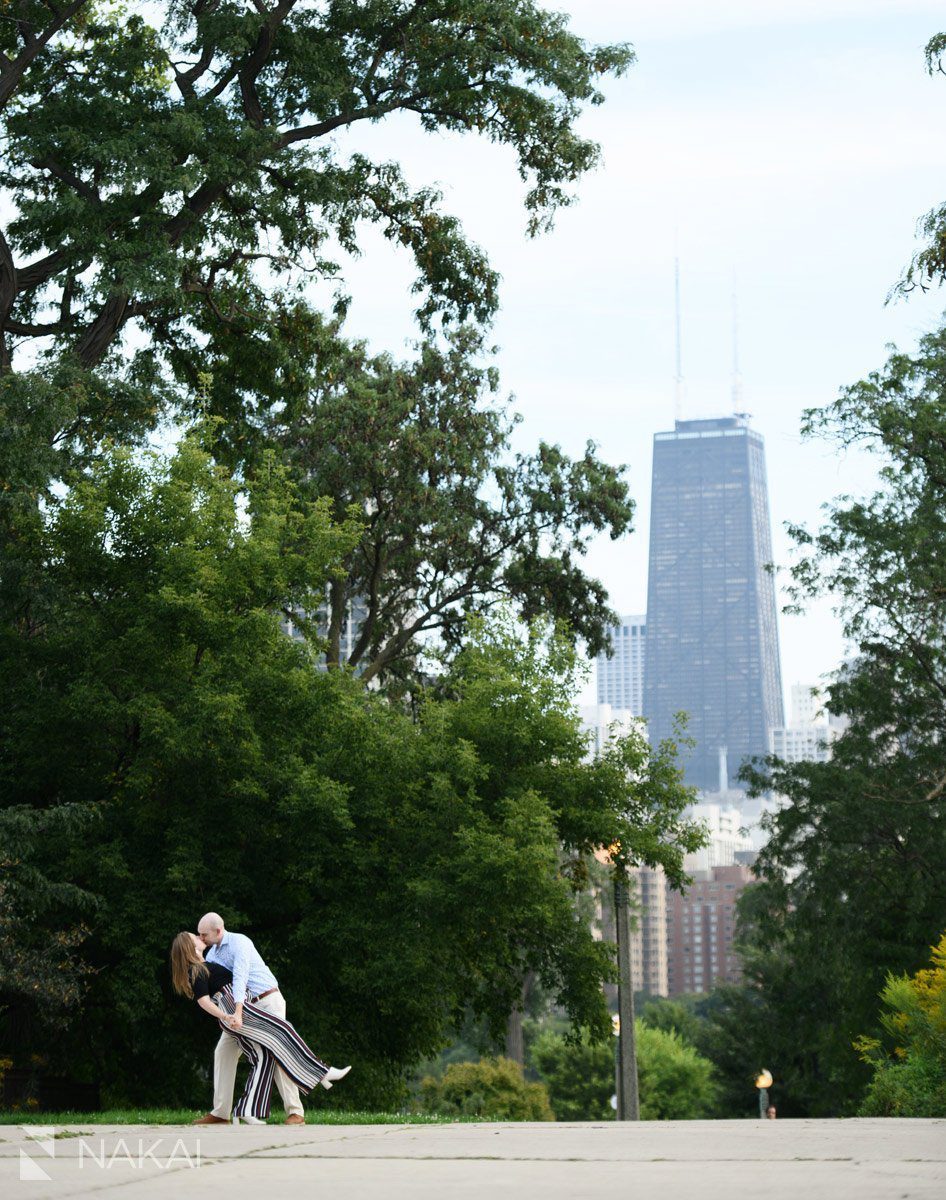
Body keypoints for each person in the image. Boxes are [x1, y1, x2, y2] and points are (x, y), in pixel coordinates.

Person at [169, 918, 350, 1125]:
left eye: (204, 935)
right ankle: (221, 1112)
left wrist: (233, 1012)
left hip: (264, 1000)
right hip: (240, 1009)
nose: (202, 938)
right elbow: (213, 989)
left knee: (276, 1047)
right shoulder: (211, 955)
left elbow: (239, 979)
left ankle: (295, 1111)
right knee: (224, 1052)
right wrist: (228, 1014)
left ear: (218, 931)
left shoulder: (239, 942)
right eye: (198, 936)